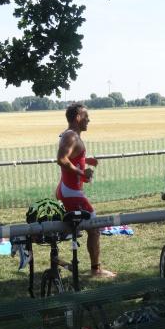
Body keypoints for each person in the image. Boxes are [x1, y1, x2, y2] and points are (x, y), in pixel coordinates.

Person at [56, 103, 116, 278]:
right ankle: (96, 269)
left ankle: (57, 259)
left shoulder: (72, 135)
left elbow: (72, 157)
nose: (89, 120)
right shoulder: (71, 136)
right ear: (78, 117)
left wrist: (86, 160)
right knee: (94, 227)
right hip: (71, 192)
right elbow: (61, 159)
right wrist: (82, 172)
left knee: (74, 227)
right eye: (86, 116)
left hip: (68, 190)